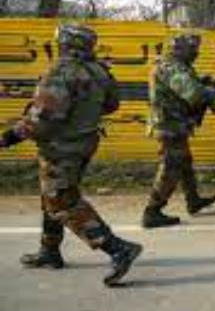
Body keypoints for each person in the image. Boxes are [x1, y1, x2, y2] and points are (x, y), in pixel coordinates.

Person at [0, 24, 142, 287]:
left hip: (62, 147)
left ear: (66, 44)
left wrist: (8, 137)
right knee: (51, 194)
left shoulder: (61, 71)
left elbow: (40, 121)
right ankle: (49, 250)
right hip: (84, 143)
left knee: (61, 201)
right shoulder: (99, 71)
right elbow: (112, 105)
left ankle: (118, 248)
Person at [142, 33, 215, 228]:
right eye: (192, 50)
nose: (196, 53)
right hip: (168, 125)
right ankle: (152, 211)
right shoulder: (170, 67)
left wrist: (210, 84)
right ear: (179, 50)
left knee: (184, 163)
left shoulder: (178, 66)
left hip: (175, 124)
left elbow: (192, 86)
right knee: (171, 166)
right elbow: (193, 93)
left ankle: (193, 200)